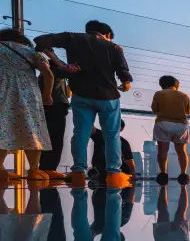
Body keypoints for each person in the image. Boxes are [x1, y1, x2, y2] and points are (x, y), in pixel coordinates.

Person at [35, 21, 133, 188]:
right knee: (112, 135)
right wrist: (125, 84)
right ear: (107, 35)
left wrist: (60, 64)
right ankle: (114, 174)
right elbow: (123, 74)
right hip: (108, 96)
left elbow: (41, 40)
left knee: (81, 132)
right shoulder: (115, 48)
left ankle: (78, 172)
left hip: (81, 95)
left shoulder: (72, 38)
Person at [0, 29, 55, 184]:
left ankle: (0, 169)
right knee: (33, 129)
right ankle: (33, 170)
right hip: (28, 95)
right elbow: (48, 74)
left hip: (2, 92)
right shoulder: (31, 52)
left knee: (2, 128)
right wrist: (47, 95)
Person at [39, 52, 78, 176]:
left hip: (47, 108)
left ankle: (44, 167)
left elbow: (68, 93)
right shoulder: (53, 73)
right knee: (55, 139)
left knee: (47, 138)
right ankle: (49, 169)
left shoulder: (44, 76)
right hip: (55, 108)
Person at [150, 74, 190, 185]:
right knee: (181, 151)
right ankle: (183, 174)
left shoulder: (158, 94)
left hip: (163, 124)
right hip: (180, 125)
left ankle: (163, 174)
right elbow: (188, 111)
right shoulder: (184, 95)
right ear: (176, 84)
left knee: (163, 150)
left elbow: (154, 109)